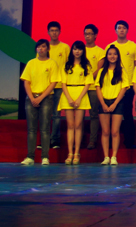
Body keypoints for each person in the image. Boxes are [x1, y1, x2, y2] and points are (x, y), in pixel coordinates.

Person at [20, 39, 60, 166]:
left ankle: (45, 157)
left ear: (48, 49)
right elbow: (26, 82)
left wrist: (41, 97)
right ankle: (30, 157)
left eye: (43, 47)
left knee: (45, 128)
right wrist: (32, 98)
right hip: (31, 98)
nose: (41, 49)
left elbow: (53, 83)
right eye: (39, 47)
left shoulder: (52, 63)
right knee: (31, 129)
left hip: (46, 98)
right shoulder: (31, 63)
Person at [105, 21, 136, 150]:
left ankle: (129, 141)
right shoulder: (110, 47)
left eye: (124, 28)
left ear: (127, 30)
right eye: (119, 28)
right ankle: (110, 142)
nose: (121, 30)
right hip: (112, 86)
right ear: (115, 30)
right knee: (111, 114)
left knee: (127, 113)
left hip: (128, 86)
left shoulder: (133, 47)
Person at [59, 41, 94, 165]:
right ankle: (70, 153)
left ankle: (77, 153)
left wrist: (79, 98)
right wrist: (69, 98)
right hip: (68, 94)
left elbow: (87, 84)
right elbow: (63, 84)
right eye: (75, 49)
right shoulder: (66, 65)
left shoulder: (86, 66)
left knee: (78, 125)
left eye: (79, 49)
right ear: (72, 51)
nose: (77, 51)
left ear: (83, 51)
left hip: (81, 95)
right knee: (70, 125)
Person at [96, 45, 130, 165]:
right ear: (106, 56)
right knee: (105, 131)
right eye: (110, 54)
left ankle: (114, 156)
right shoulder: (102, 71)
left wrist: (115, 103)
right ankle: (106, 157)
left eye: (115, 54)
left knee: (115, 131)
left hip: (117, 103)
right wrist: (103, 104)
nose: (112, 56)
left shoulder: (122, 71)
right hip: (104, 102)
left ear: (118, 56)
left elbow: (124, 88)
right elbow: (98, 88)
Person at [47, 21, 70, 149]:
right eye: (52, 30)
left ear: (60, 32)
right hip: (46, 87)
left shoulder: (65, 47)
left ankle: (55, 140)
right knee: (45, 115)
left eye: (56, 30)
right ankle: (45, 140)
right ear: (48, 32)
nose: (54, 33)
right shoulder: (44, 47)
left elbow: (69, 66)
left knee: (56, 115)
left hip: (60, 86)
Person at [83, 24, 106, 150]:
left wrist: (87, 79)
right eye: (86, 34)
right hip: (80, 87)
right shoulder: (80, 50)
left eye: (90, 34)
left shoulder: (100, 52)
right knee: (79, 115)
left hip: (92, 88)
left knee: (93, 115)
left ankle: (92, 141)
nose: (87, 36)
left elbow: (99, 69)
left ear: (95, 35)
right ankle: (79, 139)